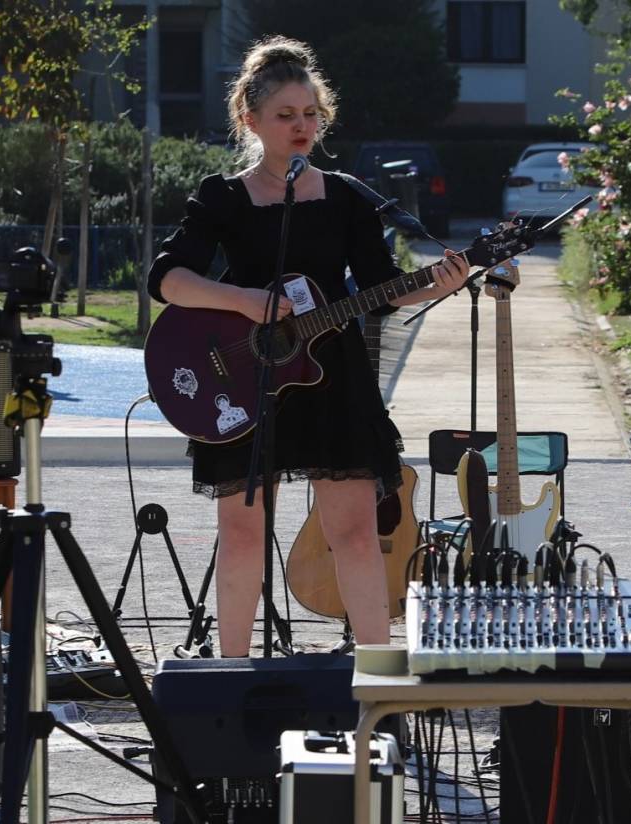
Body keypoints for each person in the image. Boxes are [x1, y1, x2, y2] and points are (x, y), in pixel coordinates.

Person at [147, 35, 470, 657]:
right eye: (285, 116)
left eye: (311, 114)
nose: (301, 127)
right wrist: (244, 301)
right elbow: (168, 280)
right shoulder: (224, 197)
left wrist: (439, 281)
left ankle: (377, 675)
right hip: (242, 377)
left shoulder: (347, 195)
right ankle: (230, 677)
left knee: (352, 533)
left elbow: (378, 288)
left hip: (333, 379)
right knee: (241, 533)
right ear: (251, 119)